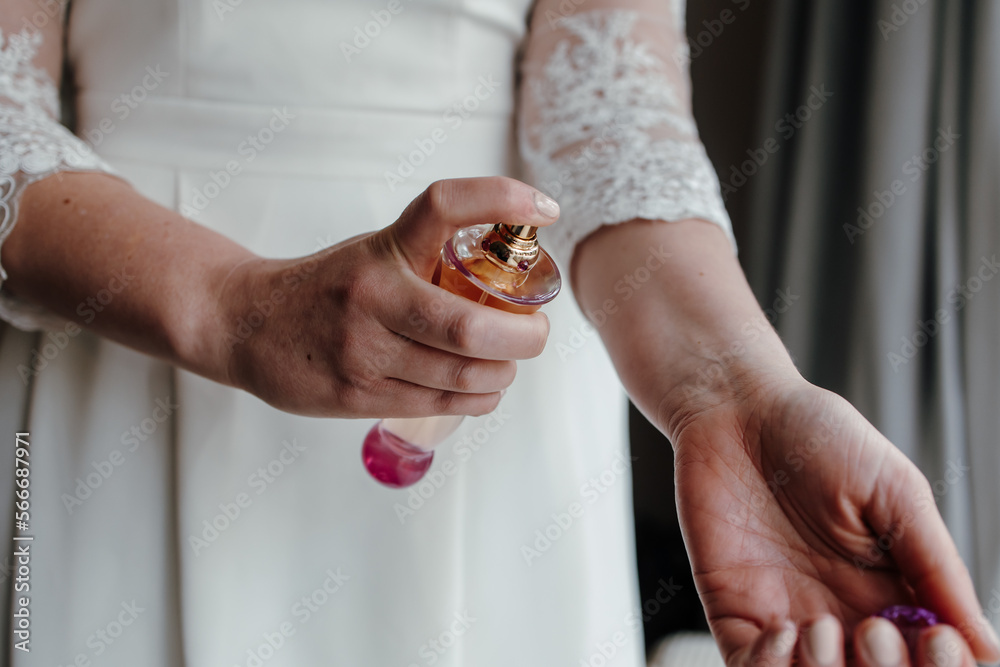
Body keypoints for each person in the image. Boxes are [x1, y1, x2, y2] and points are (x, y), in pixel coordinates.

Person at [0, 0, 995, 665]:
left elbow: (615, 118)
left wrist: (735, 394)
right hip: (133, 328)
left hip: (490, 346)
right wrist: (228, 307)